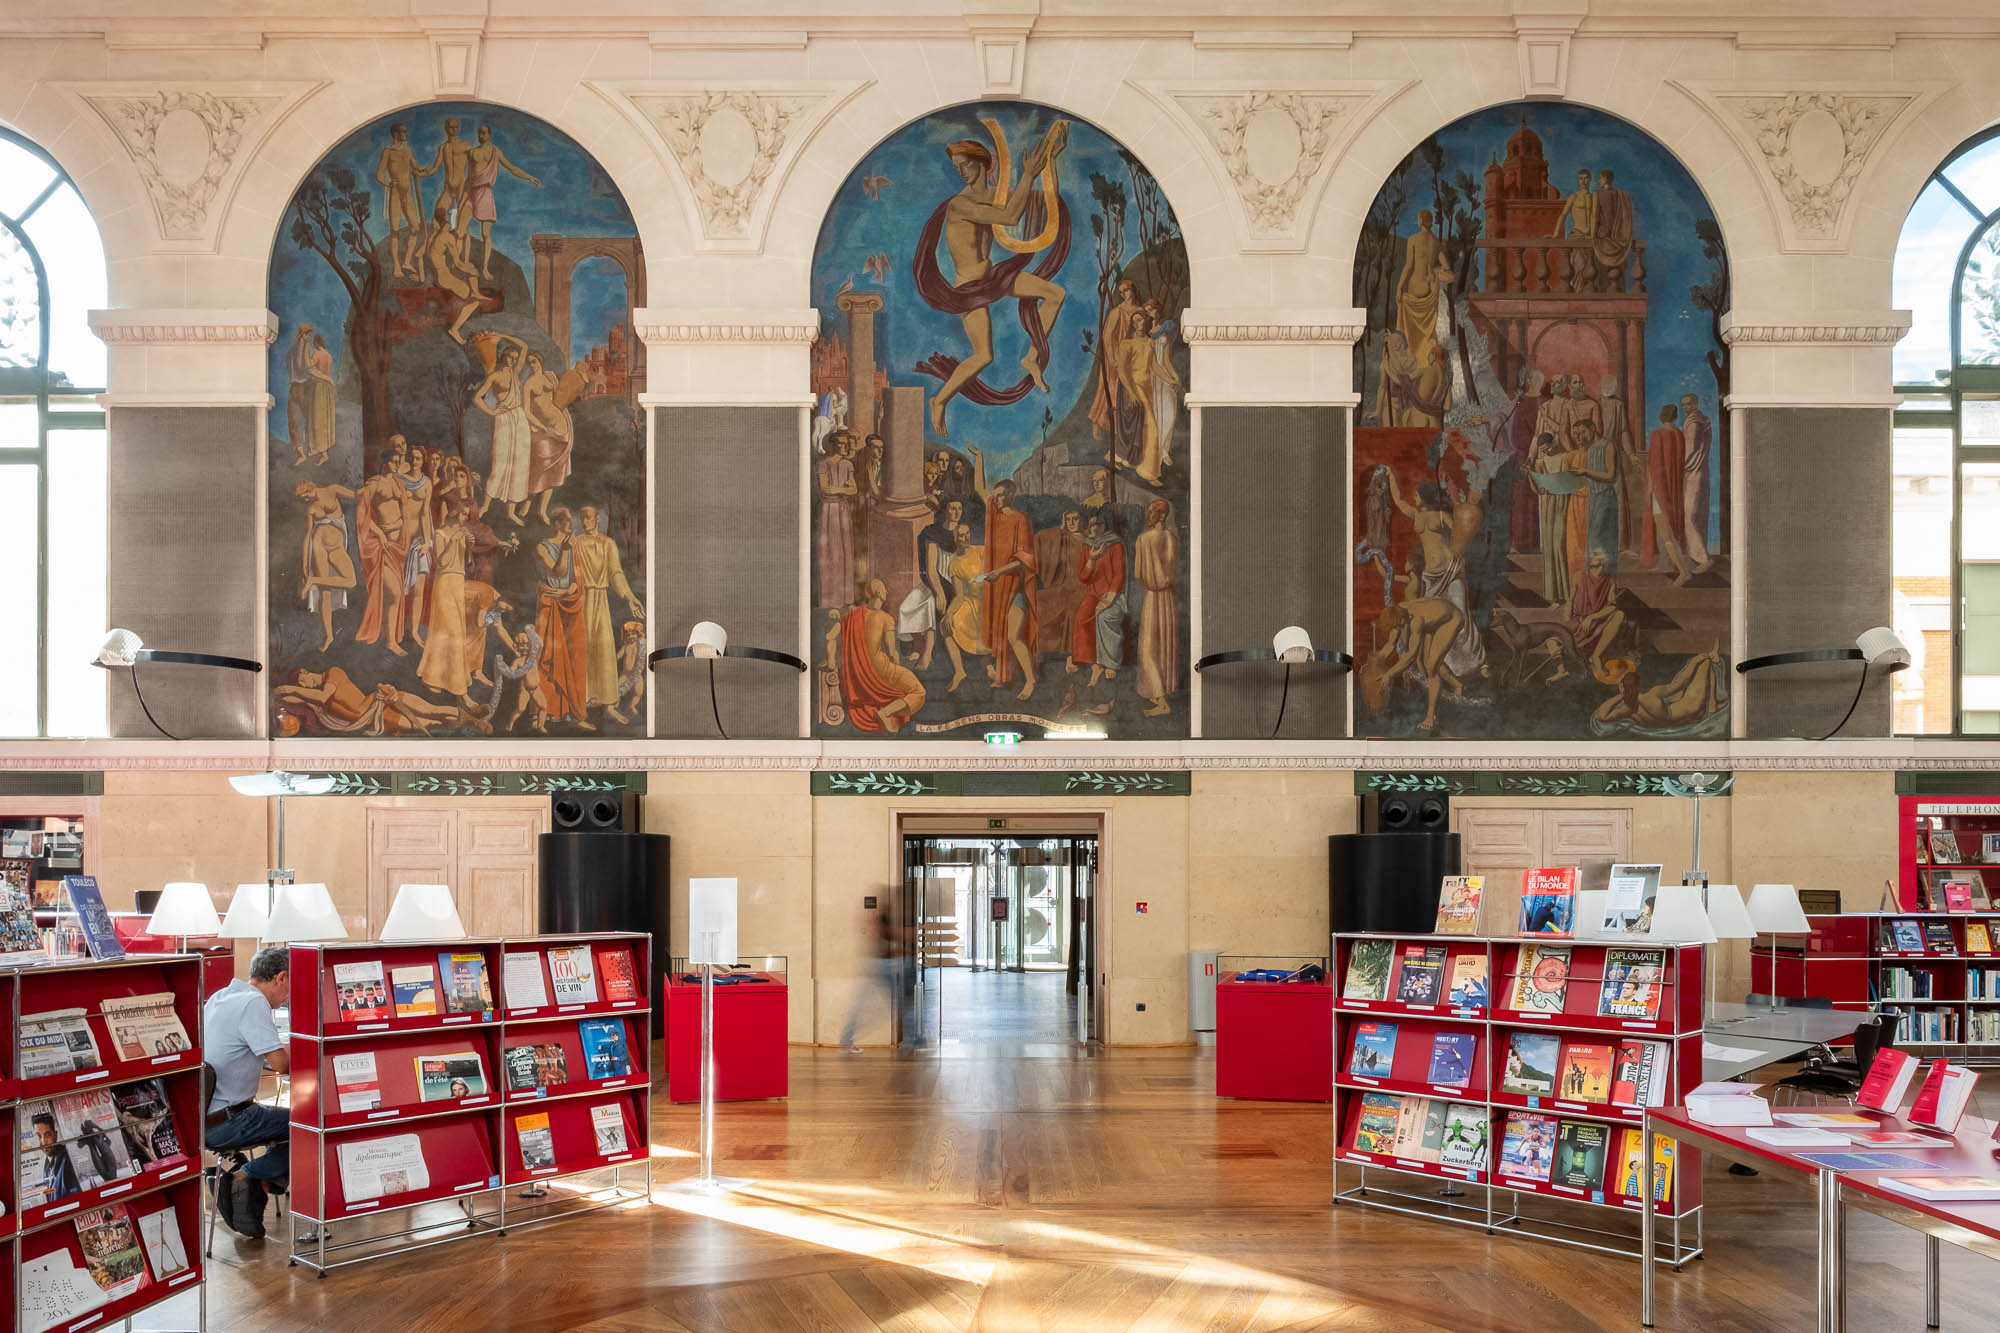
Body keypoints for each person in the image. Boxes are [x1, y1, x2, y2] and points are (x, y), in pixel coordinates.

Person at [205, 945, 292, 1238]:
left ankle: (258, 1183)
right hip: (231, 1120)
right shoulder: (254, 1004)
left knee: (284, 1122)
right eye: (293, 984)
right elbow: (281, 1064)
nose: (291, 995)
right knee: (313, 1127)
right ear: (281, 978)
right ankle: (247, 1176)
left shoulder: (223, 996)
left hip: (203, 1118)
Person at [838, 899, 908, 1051]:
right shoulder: (881, 921)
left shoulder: (877, 920)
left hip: (872, 965)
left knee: (860, 1005)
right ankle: (915, 1041)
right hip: (879, 966)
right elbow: (884, 938)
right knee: (898, 1004)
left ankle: (845, 1040)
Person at [31, 1110, 80, 1202]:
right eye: (38, 1136)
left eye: (47, 1135)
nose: (43, 1141)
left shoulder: (69, 1160)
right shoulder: (46, 1167)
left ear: (55, 1135)